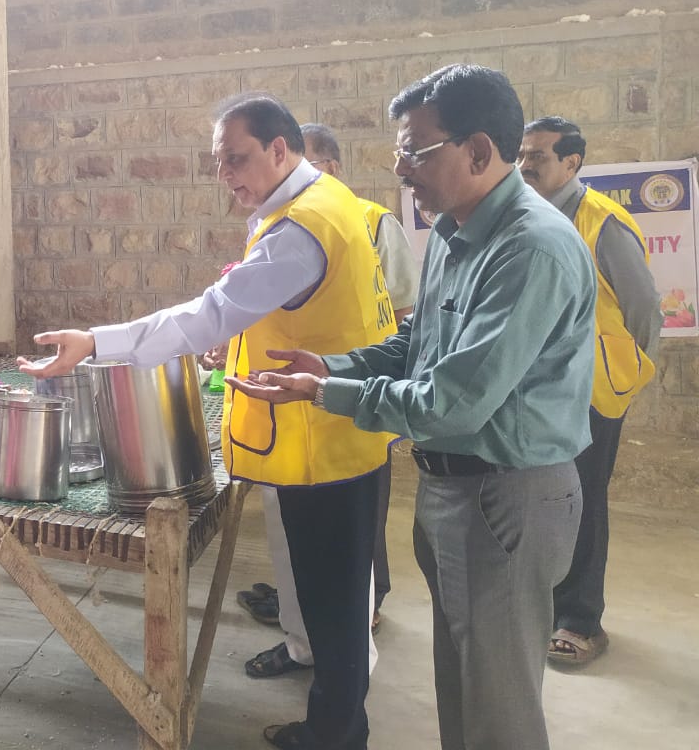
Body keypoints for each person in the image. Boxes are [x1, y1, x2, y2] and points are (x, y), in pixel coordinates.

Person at [230, 65, 593, 750]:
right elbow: (416, 347)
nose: (401, 169)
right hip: (455, 490)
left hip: (505, 499)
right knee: (465, 683)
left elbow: (452, 403)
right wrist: (329, 368)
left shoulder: (528, 248)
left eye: (415, 150)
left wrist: (330, 393)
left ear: (478, 151)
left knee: (499, 708)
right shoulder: (460, 235)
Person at [21, 92, 398, 750]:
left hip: (322, 445)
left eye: (237, 159)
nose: (226, 175)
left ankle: (337, 734)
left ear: (280, 149)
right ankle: (338, 722)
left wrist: (95, 340)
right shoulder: (331, 203)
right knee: (337, 599)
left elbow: (206, 316)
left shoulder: (300, 229)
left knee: (332, 605)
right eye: (218, 162)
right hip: (348, 433)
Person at [239, 123, 419, 674]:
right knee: (297, 546)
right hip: (291, 406)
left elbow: (405, 318)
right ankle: (304, 641)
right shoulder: (276, 221)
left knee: (351, 555)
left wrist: (350, 381)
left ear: (329, 170)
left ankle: (349, 646)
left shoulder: (367, 223)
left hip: (345, 405)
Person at [519, 116, 661, 666]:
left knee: (583, 500)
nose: (527, 164)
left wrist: (629, 369)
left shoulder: (603, 222)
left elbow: (644, 308)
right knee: (543, 501)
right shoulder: (524, 217)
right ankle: (545, 607)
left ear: (573, 163)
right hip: (536, 391)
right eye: (523, 154)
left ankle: (580, 620)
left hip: (591, 395)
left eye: (540, 156)